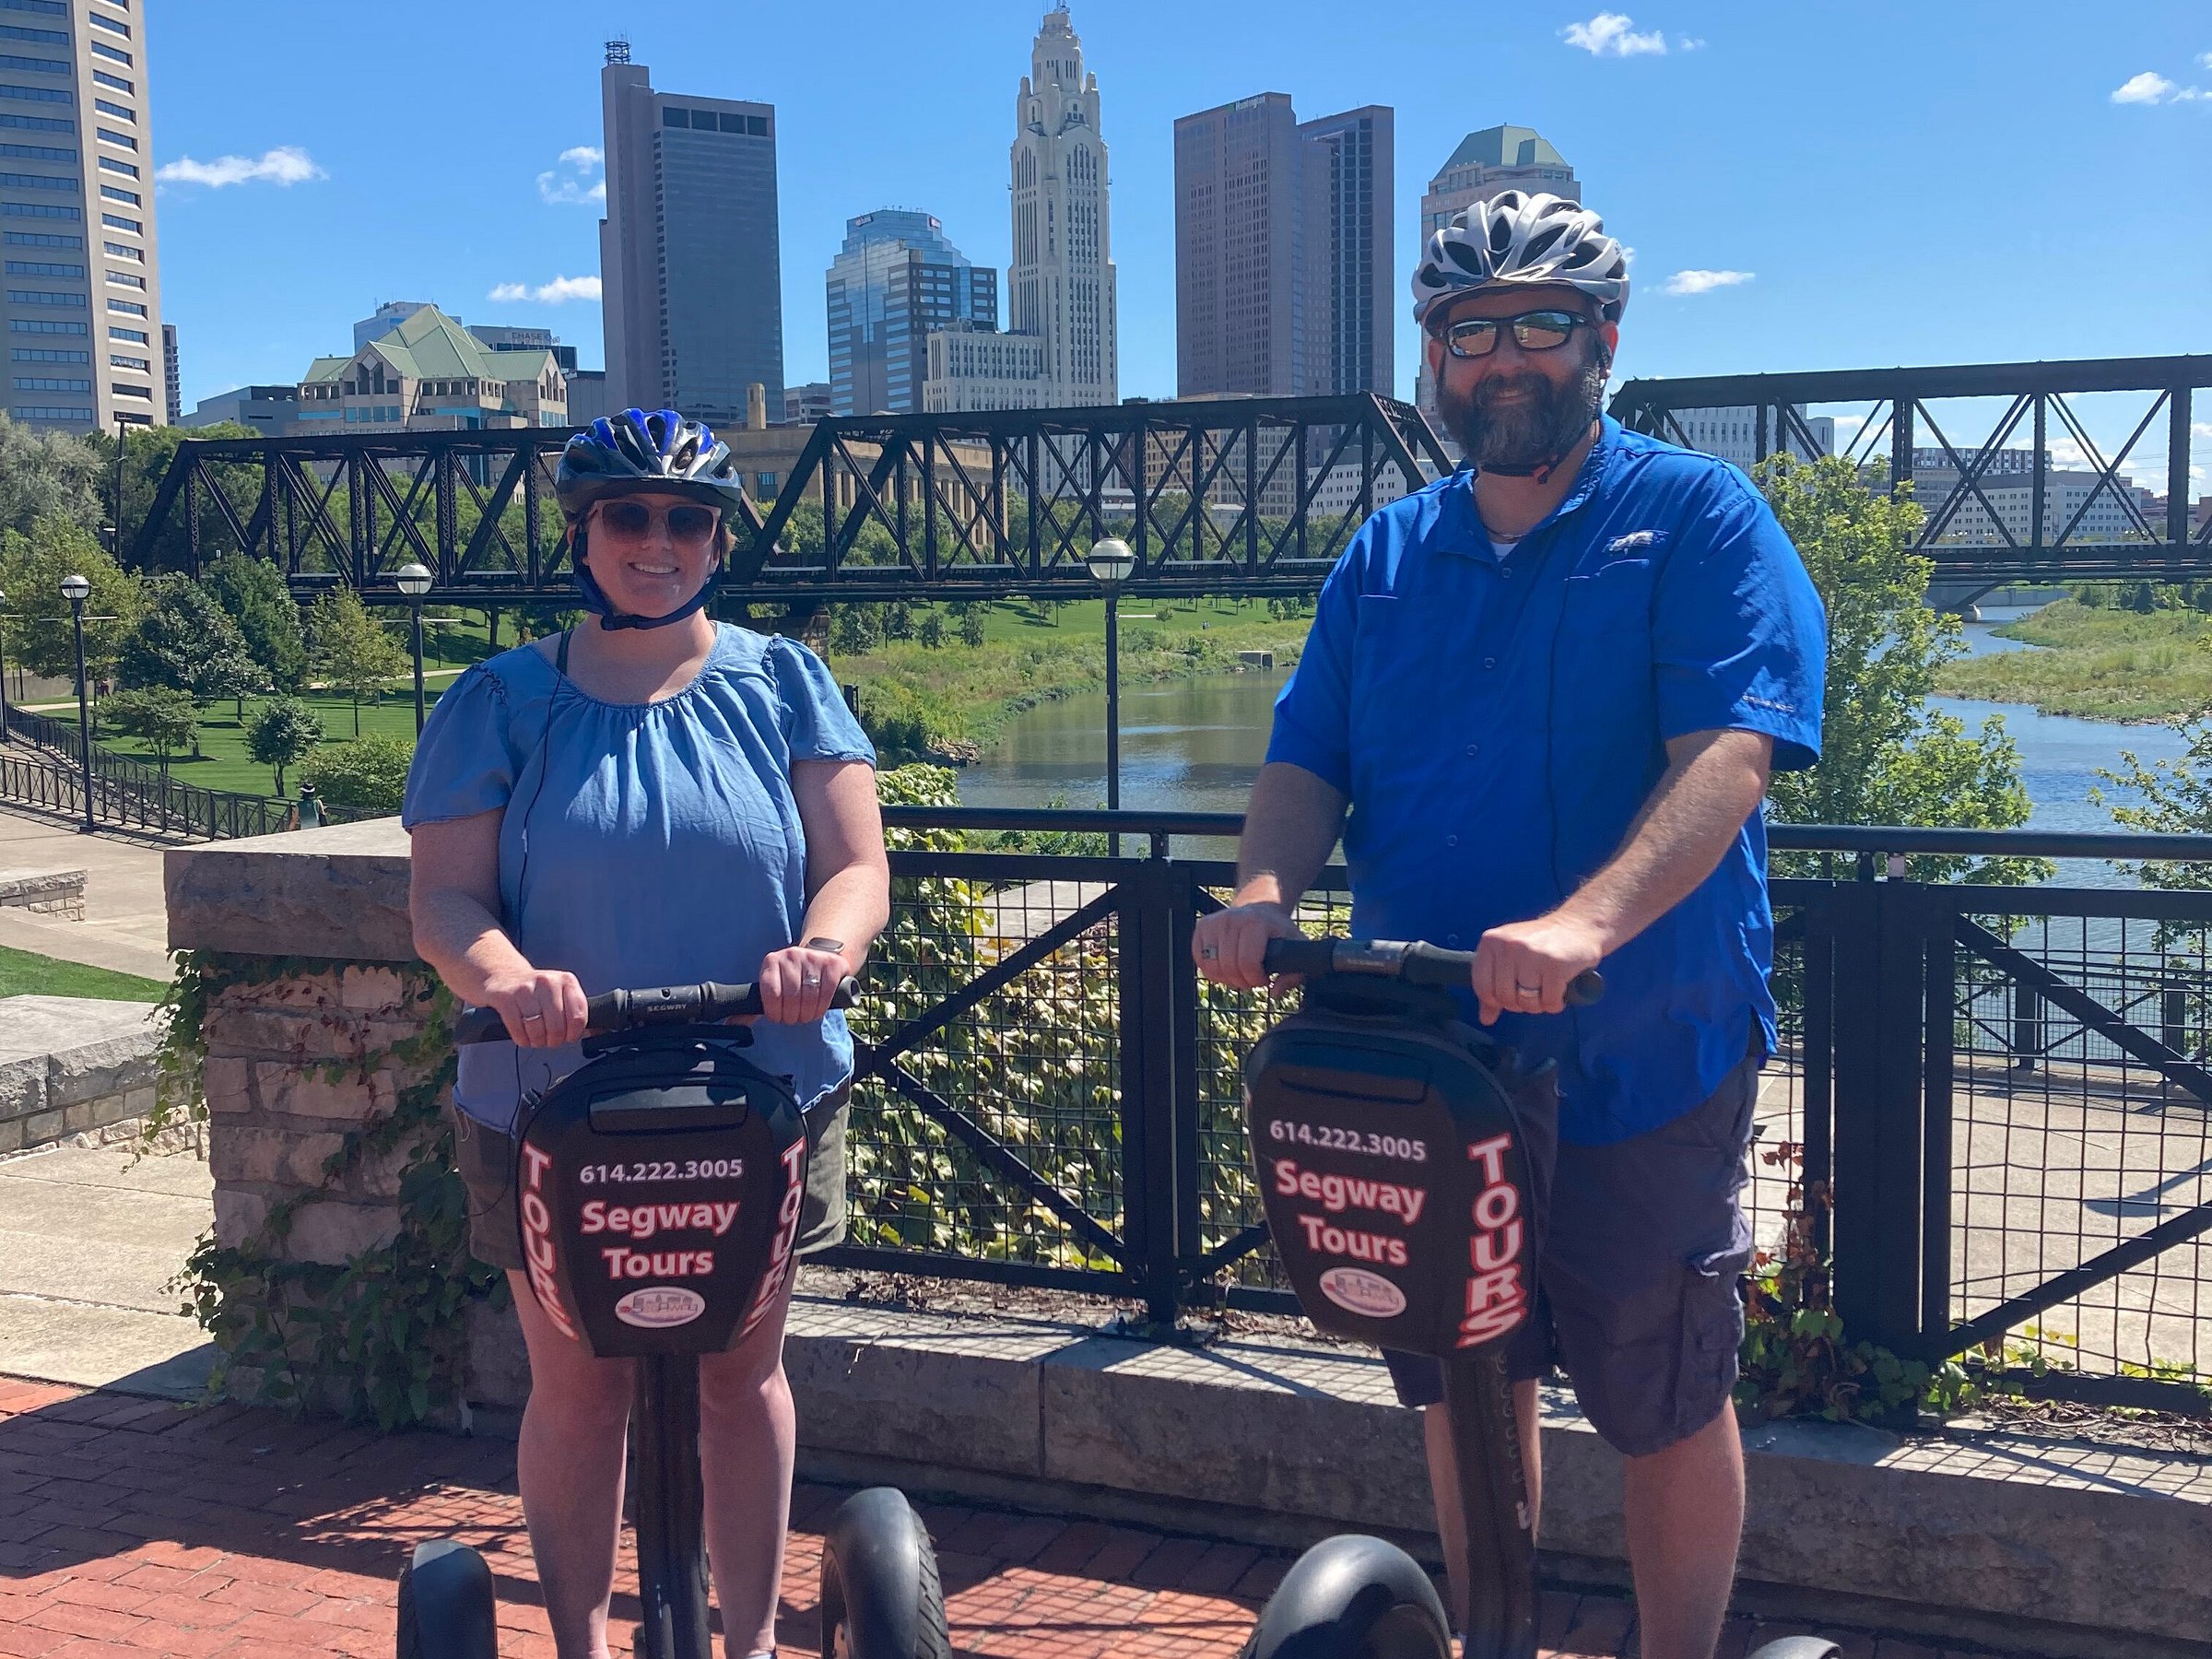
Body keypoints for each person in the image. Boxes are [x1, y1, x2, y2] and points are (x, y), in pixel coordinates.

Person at [1193, 192, 1826, 1659]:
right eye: (1469, 333)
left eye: (1540, 325)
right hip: (1431, 1050)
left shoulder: (1697, 518)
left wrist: (1586, 925)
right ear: (1432, 358)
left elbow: (1730, 749)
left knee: (1656, 1386)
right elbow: (1307, 759)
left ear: (1603, 341)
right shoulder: (1388, 556)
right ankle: (1499, 1640)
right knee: (1463, 1367)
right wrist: (1263, 893)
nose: (1503, 361)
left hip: (1641, 1048)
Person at [403, 407, 889, 1659]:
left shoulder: (784, 683)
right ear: (584, 535)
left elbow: (855, 866)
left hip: (759, 1092)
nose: (657, 540)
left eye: (686, 519)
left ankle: (750, 1645)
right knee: (580, 1385)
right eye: (630, 515)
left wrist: (823, 955)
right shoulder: (501, 702)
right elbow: (445, 899)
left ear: (719, 538)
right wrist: (508, 975)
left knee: (741, 1373)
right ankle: (577, 1642)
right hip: (546, 1096)